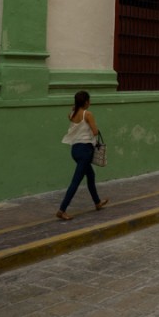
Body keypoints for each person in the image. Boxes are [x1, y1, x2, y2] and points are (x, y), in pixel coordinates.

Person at [56, 91, 108, 220]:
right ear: (85, 102)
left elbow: (72, 115)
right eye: (89, 100)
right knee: (76, 181)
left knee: (91, 175)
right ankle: (62, 210)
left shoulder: (72, 115)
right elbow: (95, 132)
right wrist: (94, 128)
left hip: (75, 150)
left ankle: (97, 203)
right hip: (85, 150)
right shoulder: (88, 114)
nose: (90, 102)